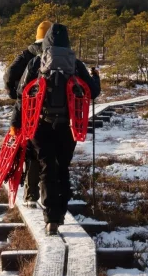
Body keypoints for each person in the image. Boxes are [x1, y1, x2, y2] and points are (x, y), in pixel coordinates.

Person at [11, 23, 100, 235]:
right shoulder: (75, 64)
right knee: (62, 168)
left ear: (47, 41)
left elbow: (21, 94)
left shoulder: (35, 62)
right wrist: (95, 76)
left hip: (40, 125)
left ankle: (50, 218)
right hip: (68, 126)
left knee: (46, 168)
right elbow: (93, 92)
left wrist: (15, 122)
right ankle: (60, 212)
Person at [3, 21, 52, 207]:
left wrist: (16, 95)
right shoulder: (57, 56)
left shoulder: (27, 54)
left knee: (31, 149)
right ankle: (45, 192)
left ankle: (31, 193)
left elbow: (9, 75)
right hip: (51, 111)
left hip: (27, 107)